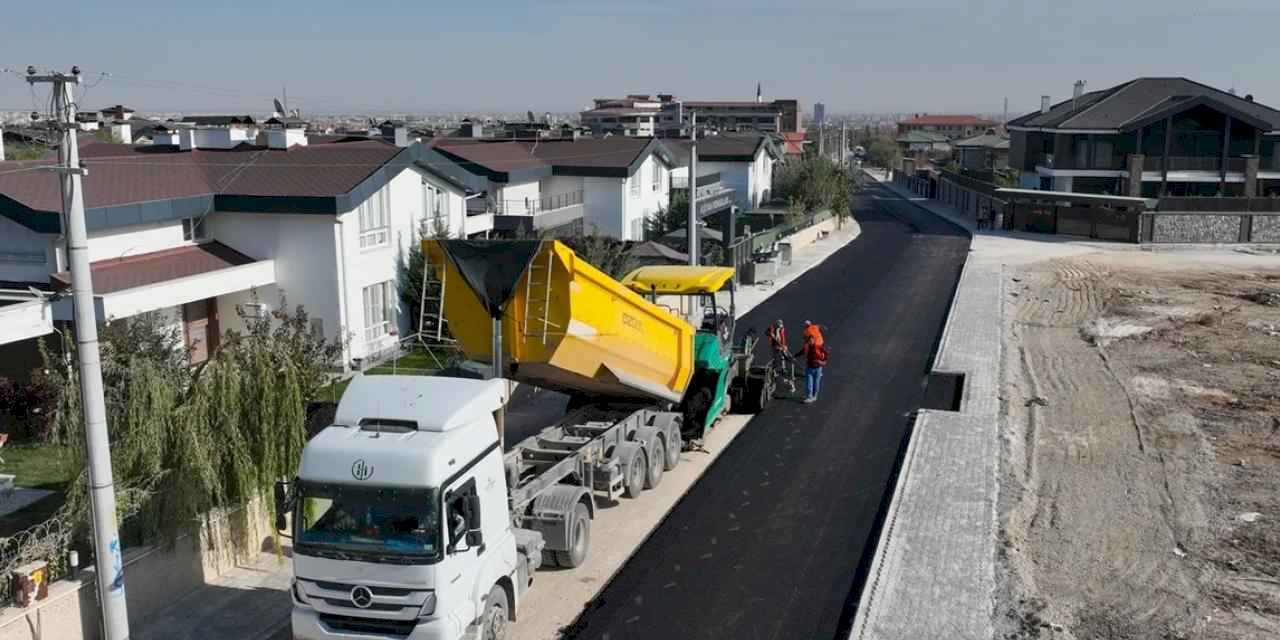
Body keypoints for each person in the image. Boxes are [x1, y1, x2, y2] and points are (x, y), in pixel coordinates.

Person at [794, 329, 828, 404]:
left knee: (816, 383)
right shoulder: (807, 347)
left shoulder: (818, 347)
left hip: (818, 368)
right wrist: (795, 356)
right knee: (808, 383)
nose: (810, 342)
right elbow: (802, 352)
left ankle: (814, 396)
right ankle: (809, 396)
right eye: (809, 341)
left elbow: (826, 354)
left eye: (811, 340)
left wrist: (823, 361)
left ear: (814, 340)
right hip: (809, 367)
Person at [766, 319, 795, 393]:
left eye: (780, 326)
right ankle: (776, 369)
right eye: (778, 326)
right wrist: (770, 334)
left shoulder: (781, 329)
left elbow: (783, 337)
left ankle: (783, 369)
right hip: (775, 346)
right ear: (776, 325)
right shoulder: (772, 327)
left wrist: (784, 346)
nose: (779, 327)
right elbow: (766, 332)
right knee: (776, 359)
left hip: (781, 346)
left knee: (783, 358)